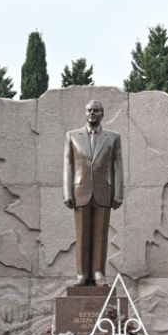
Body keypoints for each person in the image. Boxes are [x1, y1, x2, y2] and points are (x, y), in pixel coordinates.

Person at [63, 99, 124, 285]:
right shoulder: (72, 136)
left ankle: (98, 273)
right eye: (89, 110)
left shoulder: (113, 138)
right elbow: (68, 165)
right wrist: (67, 192)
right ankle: (82, 275)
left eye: (96, 110)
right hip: (80, 192)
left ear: (102, 114)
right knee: (82, 235)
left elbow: (117, 166)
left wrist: (118, 193)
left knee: (100, 235)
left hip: (104, 192)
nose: (92, 113)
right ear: (85, 113)